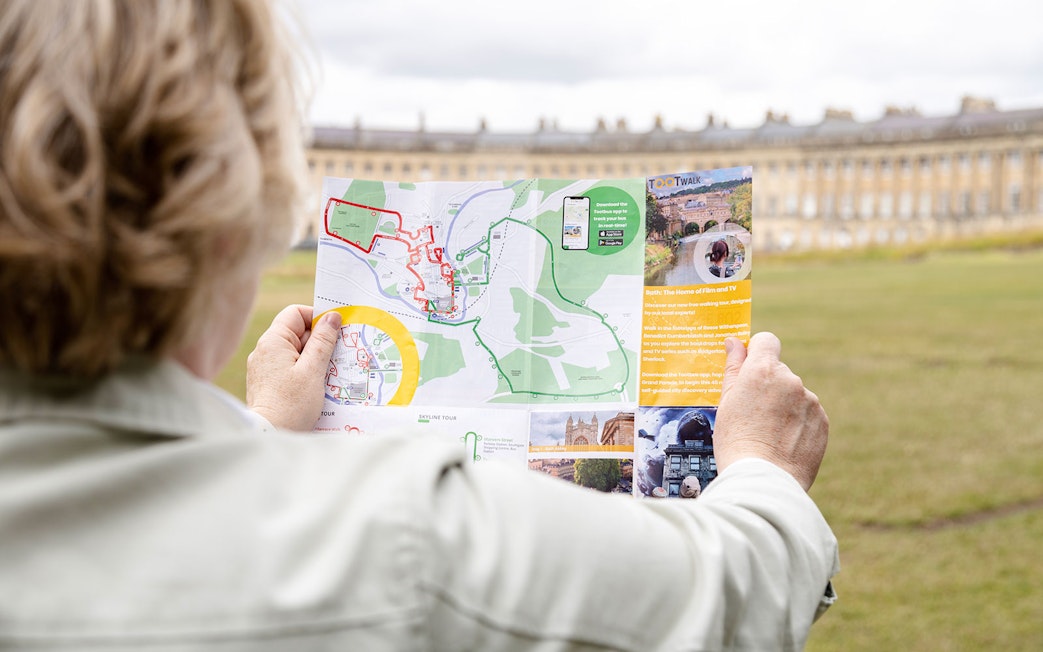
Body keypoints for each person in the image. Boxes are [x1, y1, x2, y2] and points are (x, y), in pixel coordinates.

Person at [0, 1, 838, 650]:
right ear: (229, 220)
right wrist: (762, 468)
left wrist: (262, 432)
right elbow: (731, 597)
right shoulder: (395, 533)